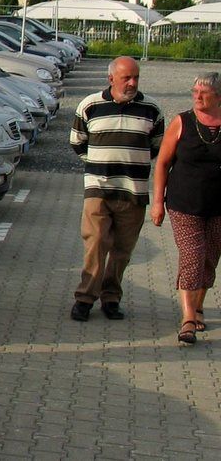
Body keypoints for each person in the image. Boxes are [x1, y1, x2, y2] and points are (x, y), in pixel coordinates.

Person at [69, 56, 164, 322]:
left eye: (136, 77)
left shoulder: (152, 109)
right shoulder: (90, 105)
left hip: (133, 191)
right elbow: (78, 143)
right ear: (111, 78)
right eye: (126, 78)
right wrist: (101, 163)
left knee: (122, 250)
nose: (132, 83)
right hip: (98, 187)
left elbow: (155, 146)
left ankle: (111, 298)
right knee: (96, 243)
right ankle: (85, 299)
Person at [151, 72, 221, 344]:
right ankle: (188, 319)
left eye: (204, 93)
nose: (198, 97)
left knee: (209, 259)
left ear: (218, 97)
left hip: (217, 206)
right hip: (184, 204)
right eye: (195, 92)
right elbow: (162, 163)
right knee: (193, 256)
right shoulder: (182, 122)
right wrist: (158, 201)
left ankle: (199, 305)